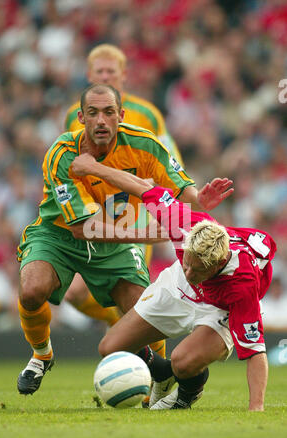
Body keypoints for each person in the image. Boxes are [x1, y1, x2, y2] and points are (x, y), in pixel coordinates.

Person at [17, 83, 232, 395]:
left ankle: (160, 374)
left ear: (121, 115)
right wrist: (148, 235)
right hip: (59, 235)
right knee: (32, 290)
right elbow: (84, 227)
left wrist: (199, 200)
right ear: (81, 117)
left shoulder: (145, 145)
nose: (101, 120)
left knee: (144, 313)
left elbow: (185, 194)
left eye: (108, 112)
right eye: (93, 113)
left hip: (113, 242)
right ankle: (41, 355)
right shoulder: (62, 154)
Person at [70, 153, 276, 412]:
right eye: (186, 261)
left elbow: (256, 352)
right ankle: (163, 373)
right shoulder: (183, 223)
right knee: (110, 347)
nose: (189, 271)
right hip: (177, 287)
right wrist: (94, 168)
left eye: (197, 269)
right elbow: (142, 186)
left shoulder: (241, 284)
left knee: (183, 361)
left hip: (220, 308)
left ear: (217, 265)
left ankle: (187, 393)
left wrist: (255, 409)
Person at [64, 44, 184, 358]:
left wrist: (165, 203)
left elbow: (168, 161)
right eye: (99, 72)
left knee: (135, 296)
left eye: (111, 72)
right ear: (90, 76)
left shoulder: (147, 114)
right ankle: (119, 321)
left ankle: (156, 369)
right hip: (94, 214)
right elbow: (70, 164)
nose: (105, 76)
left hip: (134, 215)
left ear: (124, 76)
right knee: (75, 293)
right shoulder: (72, 117)